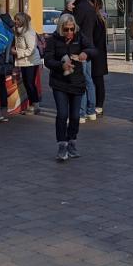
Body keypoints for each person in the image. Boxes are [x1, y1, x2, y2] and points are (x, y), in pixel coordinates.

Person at [43, 13, 97, 161]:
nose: (69, 33)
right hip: (59, 82)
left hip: (77, 82)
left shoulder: (80, 37)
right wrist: (61, 65)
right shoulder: (53, 39)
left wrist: (86, 53)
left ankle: (72, 141)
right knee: (62, 114)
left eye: (71, 29)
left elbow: (94, 49)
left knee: (75, 116)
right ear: (61, 28)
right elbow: (47, 60)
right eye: (66, 29)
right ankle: (62, 145)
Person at [70, 0, 99, 122]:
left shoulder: (79, 8)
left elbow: (73, 27)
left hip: (79, 48)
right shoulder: (91, 8)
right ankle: (91, 111)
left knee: (80, 80)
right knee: (88, 80)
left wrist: (68, 11)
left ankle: (81, 113)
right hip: (89, 46)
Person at [13, 12, 41, 115]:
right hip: (24, 61)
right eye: (15, 19)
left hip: (31, 61)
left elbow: (31, 50)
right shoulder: (17, 31)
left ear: (23, 21)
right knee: (27, 83)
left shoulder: (28, 32)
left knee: (29, 83)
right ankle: (32, 105)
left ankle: (35, 106)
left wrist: (17, 53)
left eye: (18, 20)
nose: (15, 21)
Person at [89, 0, 110, 117]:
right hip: (99, 53)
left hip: (96, 53)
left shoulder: (97, 19)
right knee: (98, 80)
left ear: (95, 4)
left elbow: (96, 38)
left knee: (97, 80)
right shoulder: (100, 18)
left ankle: (99, 106)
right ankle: (99, 105)